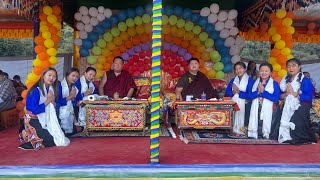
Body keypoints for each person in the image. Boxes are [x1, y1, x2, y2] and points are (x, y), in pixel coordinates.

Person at [18, 67, 70, 150]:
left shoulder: (52, 89)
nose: (51, 78)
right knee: (50, 139)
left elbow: (55, 107)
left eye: (54, 76)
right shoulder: (35, 90)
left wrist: (53, 102)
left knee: (60, 136)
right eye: (49, 75)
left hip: (47, 118)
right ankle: (25, 132)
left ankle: (32, 135)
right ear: (43, 76)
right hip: (33, 119)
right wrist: (48, 100)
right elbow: (34, 111)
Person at [278, 58, 317, 144]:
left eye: (293, 66)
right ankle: (285, 136)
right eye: (288, 66)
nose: (291, 68)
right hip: (286, 105)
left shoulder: (305, 80)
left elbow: (309, 96)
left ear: (299, 67)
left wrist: (295, 94)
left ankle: (297, 137)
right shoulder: (285, 80)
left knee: (297, 116)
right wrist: (285, 95)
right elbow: (280, 95)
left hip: (301, 104)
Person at [248, 63, 281, 139]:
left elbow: (276, 98)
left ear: (270, 73)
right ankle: (255, 134)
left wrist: (263, 92)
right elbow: (249, 96)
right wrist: (258, 92)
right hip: (257, 107)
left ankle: (266, 134)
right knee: (257, 121)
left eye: (266, 71)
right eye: (262, 71)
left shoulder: (274, 84)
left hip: (269, 110)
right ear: (259, 72)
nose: (264, 73)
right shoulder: (255, 83)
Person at [225, 61, 254, 134]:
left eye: (240, 68)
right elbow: (227, 93)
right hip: (234, 103)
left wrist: (239, 92)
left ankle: (243, 130)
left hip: (245, 104)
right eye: (236, 69)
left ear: (244, 69)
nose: (238, 71)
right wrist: (233, 92)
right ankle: (232, 128)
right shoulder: (233, 80)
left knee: (245, 119)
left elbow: (250, 95)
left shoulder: (250, 81)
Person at [58, 68, 82, 135]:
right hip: (59, 111)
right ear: (67, 76)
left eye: (77, 77)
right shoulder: (60, 86)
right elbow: (58, 102)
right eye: (73, 76)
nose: (74, 78)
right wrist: (70, 97)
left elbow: (73, 101)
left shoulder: (74, 88)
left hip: (70, 112)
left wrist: (76, 103)